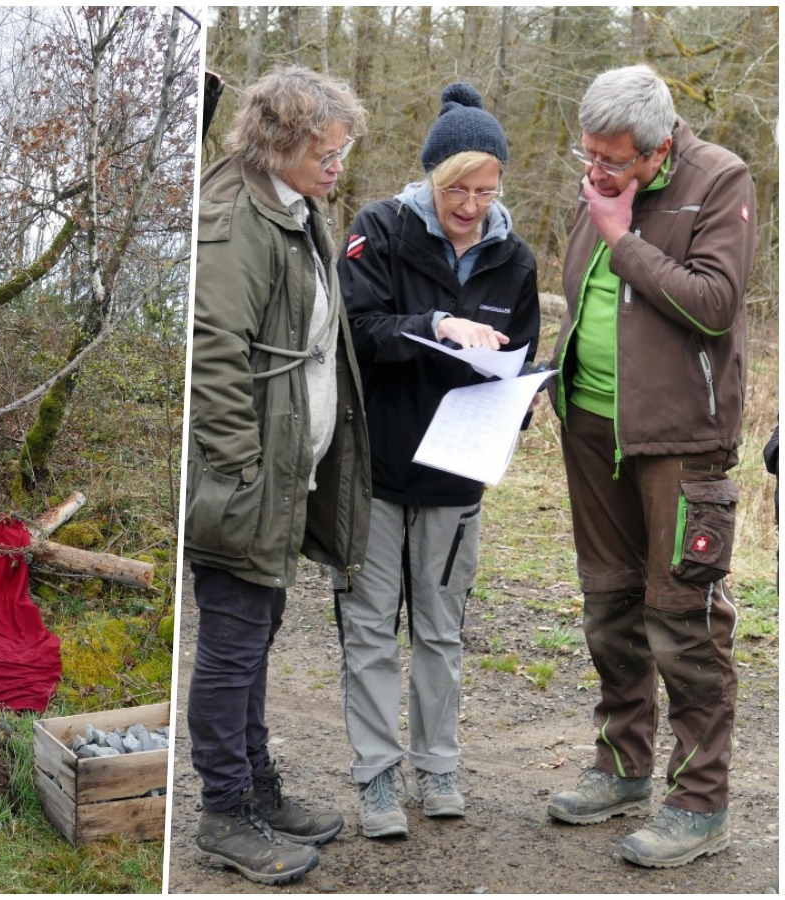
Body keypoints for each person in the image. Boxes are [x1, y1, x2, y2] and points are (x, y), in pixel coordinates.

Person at [546, 64, 756, 869]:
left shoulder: (719, 179)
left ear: (661, 146)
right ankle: (623, 766)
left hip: (678, 439)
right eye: (587, 157)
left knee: (684, 620)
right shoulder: (604, 177)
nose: (596, 174)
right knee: (609, 604)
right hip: (593, 425)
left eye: (614, 161)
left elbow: (713, 303)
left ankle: (701, 803)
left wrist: (619, 235)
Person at [183, 65, 372, 885]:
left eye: (342, 152)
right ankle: (225, 812)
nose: (338, 166)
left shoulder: (295, 208)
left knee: (255, 639)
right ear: (280, 142)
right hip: (246, 480)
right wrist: (244, 469)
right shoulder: (234, 216)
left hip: (283, 474)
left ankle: (258, 789)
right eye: (327, 152)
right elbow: (213, 351)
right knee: (231, 646)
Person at [336, 82, 540, 837]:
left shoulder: (514, 259)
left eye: (486, 190)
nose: (471, 205)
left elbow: (519, 359)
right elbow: (353, 329)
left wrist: (521, 400)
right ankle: (377, 780)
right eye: (458, 187)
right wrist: (437, 324)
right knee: (367, 630)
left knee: (441, 632)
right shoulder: (379, 231)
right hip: (377, 474)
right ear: (431, 176)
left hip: (457, 481)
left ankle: (439, 768)